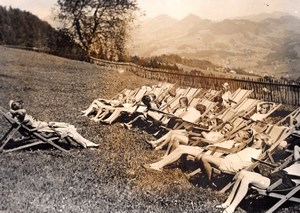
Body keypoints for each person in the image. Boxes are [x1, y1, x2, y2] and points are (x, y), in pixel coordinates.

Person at [217, 145, 300, 213]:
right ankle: (227, 203)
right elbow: (296, 147)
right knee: (242, 173)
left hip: (283, 182)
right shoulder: (298, 161)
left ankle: (231, 208)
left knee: (247, 177)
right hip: (276, 176)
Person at [143, 128, 255, 172]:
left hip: (209, 153)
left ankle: (158, 165)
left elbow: (225, 151)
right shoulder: (232, 141)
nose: (235, 135)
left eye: (238, 135)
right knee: (181, 147)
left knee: (181, 148)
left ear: (243, 138)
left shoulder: (237, 145)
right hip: (205, 150)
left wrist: (211, 147)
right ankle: (157, 164)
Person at [9, 100, 99, 148]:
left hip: (45, 126)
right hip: (44, 130)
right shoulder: (22, 114)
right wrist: (14, 111)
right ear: (19, 110)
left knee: (70, 126)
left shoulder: (19, 117)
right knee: (69, 130)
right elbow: (22, 110)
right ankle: (86, 145)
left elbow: (11, 102)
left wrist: (12, 110)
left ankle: (86, 143)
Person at [198, 131, 271, 182]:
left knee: (204, 158)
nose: (254, 141)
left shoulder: (258, 153)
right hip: (227, 161)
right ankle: (208, 179)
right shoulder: (252, 148)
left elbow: (254, 164)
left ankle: (209, 181)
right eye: (254, 139)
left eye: (257, 140)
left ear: (263, 143)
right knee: (200, 156)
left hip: (231, 165)